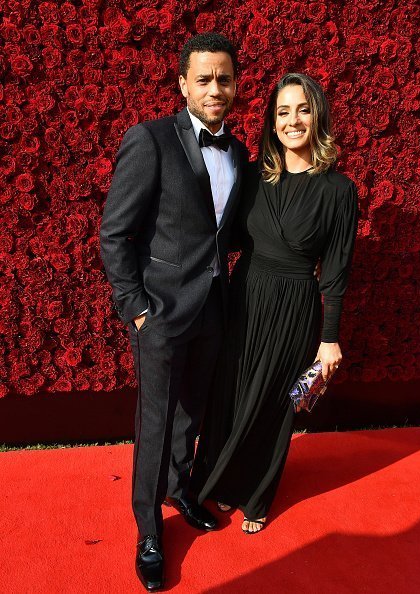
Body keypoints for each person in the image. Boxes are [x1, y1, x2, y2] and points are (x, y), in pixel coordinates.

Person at [100, 33, 247, 591]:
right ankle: (148, 529)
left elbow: (221, 233)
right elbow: (115, 233)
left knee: (192, 411)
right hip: (159, 310)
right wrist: (136, 309)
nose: (215, 88)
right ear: (183, 83)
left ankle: (180, 490)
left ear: (235, 85)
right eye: (204, 78)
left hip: (213, 305)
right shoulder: (151, 140)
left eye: (224, 79)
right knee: (156, 422)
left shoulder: (236, 151)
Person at [190, 73, 359, 535]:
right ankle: (221, 479)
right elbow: (224, 235)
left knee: (272, 402)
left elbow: (338, 272)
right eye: (283, 111)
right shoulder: (254, 176)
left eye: (302, 109)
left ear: (318, 116)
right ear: (272, 121)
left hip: (294, 306)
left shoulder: (339, 191)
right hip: (244, 296)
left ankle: (258, 495)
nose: (292, 120)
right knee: (232, 390)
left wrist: (329, 340)